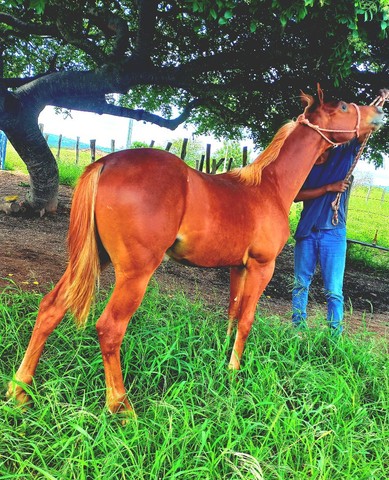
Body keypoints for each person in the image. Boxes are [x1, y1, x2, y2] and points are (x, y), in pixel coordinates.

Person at [291, 137, 363, 335]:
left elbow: (363, 136)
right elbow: (296, 195)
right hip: (307, 231)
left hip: (333, 233)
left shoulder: (342, 156)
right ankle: (298, 329)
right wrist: (327, 188)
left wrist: (374, 112)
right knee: (300, 284)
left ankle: (334, 335)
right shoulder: (305, 164)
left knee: (333, 290)